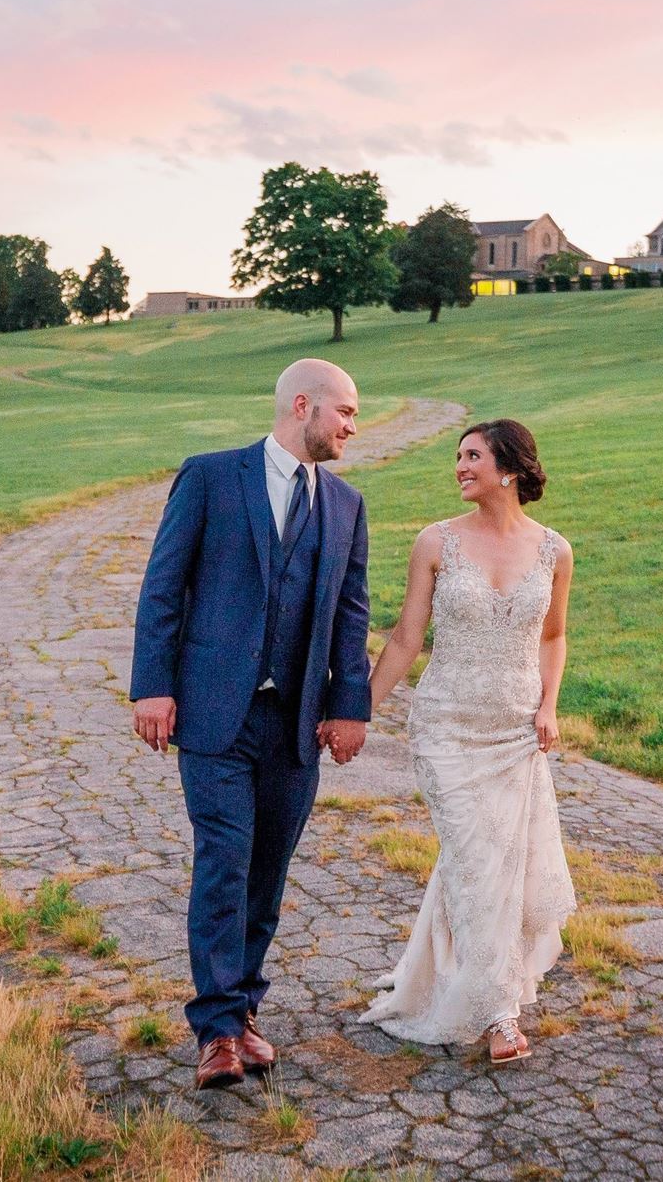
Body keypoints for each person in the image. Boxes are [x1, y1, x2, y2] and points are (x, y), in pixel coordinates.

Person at [128, 359, 375, 1090]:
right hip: (214, 712)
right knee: (225, 860)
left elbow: (351, 612)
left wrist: (349, 705)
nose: (352, 426)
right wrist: (152, 687)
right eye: (345, 411)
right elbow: (163, 584)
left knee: (267, 871)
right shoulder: (209, 477)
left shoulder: (346, 503)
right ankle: (216, 1030)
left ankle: (242, 1012)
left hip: (294, 721)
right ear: (302, 405)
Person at [358, 418, 578, 1064]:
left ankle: (437, 973)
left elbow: (553, 636)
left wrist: (549, 705)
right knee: (476, 859)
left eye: (472, 455)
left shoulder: (555, 550)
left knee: (496, 865)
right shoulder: (436, 542)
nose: (459, 466)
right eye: (458, 455)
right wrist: (357, 711)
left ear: (508, 467)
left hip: (516, 732)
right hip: (446, 729)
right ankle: (499, 1015)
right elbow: (407, 638)